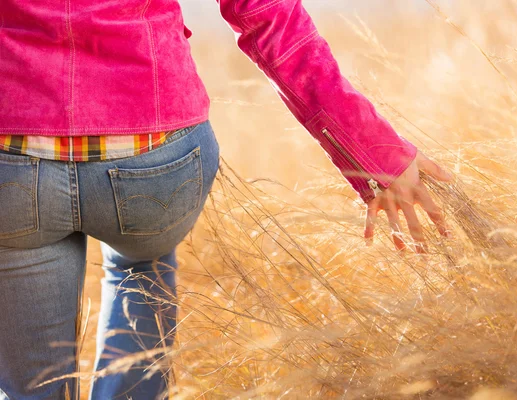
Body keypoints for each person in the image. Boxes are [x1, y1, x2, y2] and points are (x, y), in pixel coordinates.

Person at [0, 0, 451, 399]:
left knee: (32, 390)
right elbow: (268, 15)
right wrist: (375, 150)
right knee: (139, 266)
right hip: (154, 155)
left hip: (13, 155)